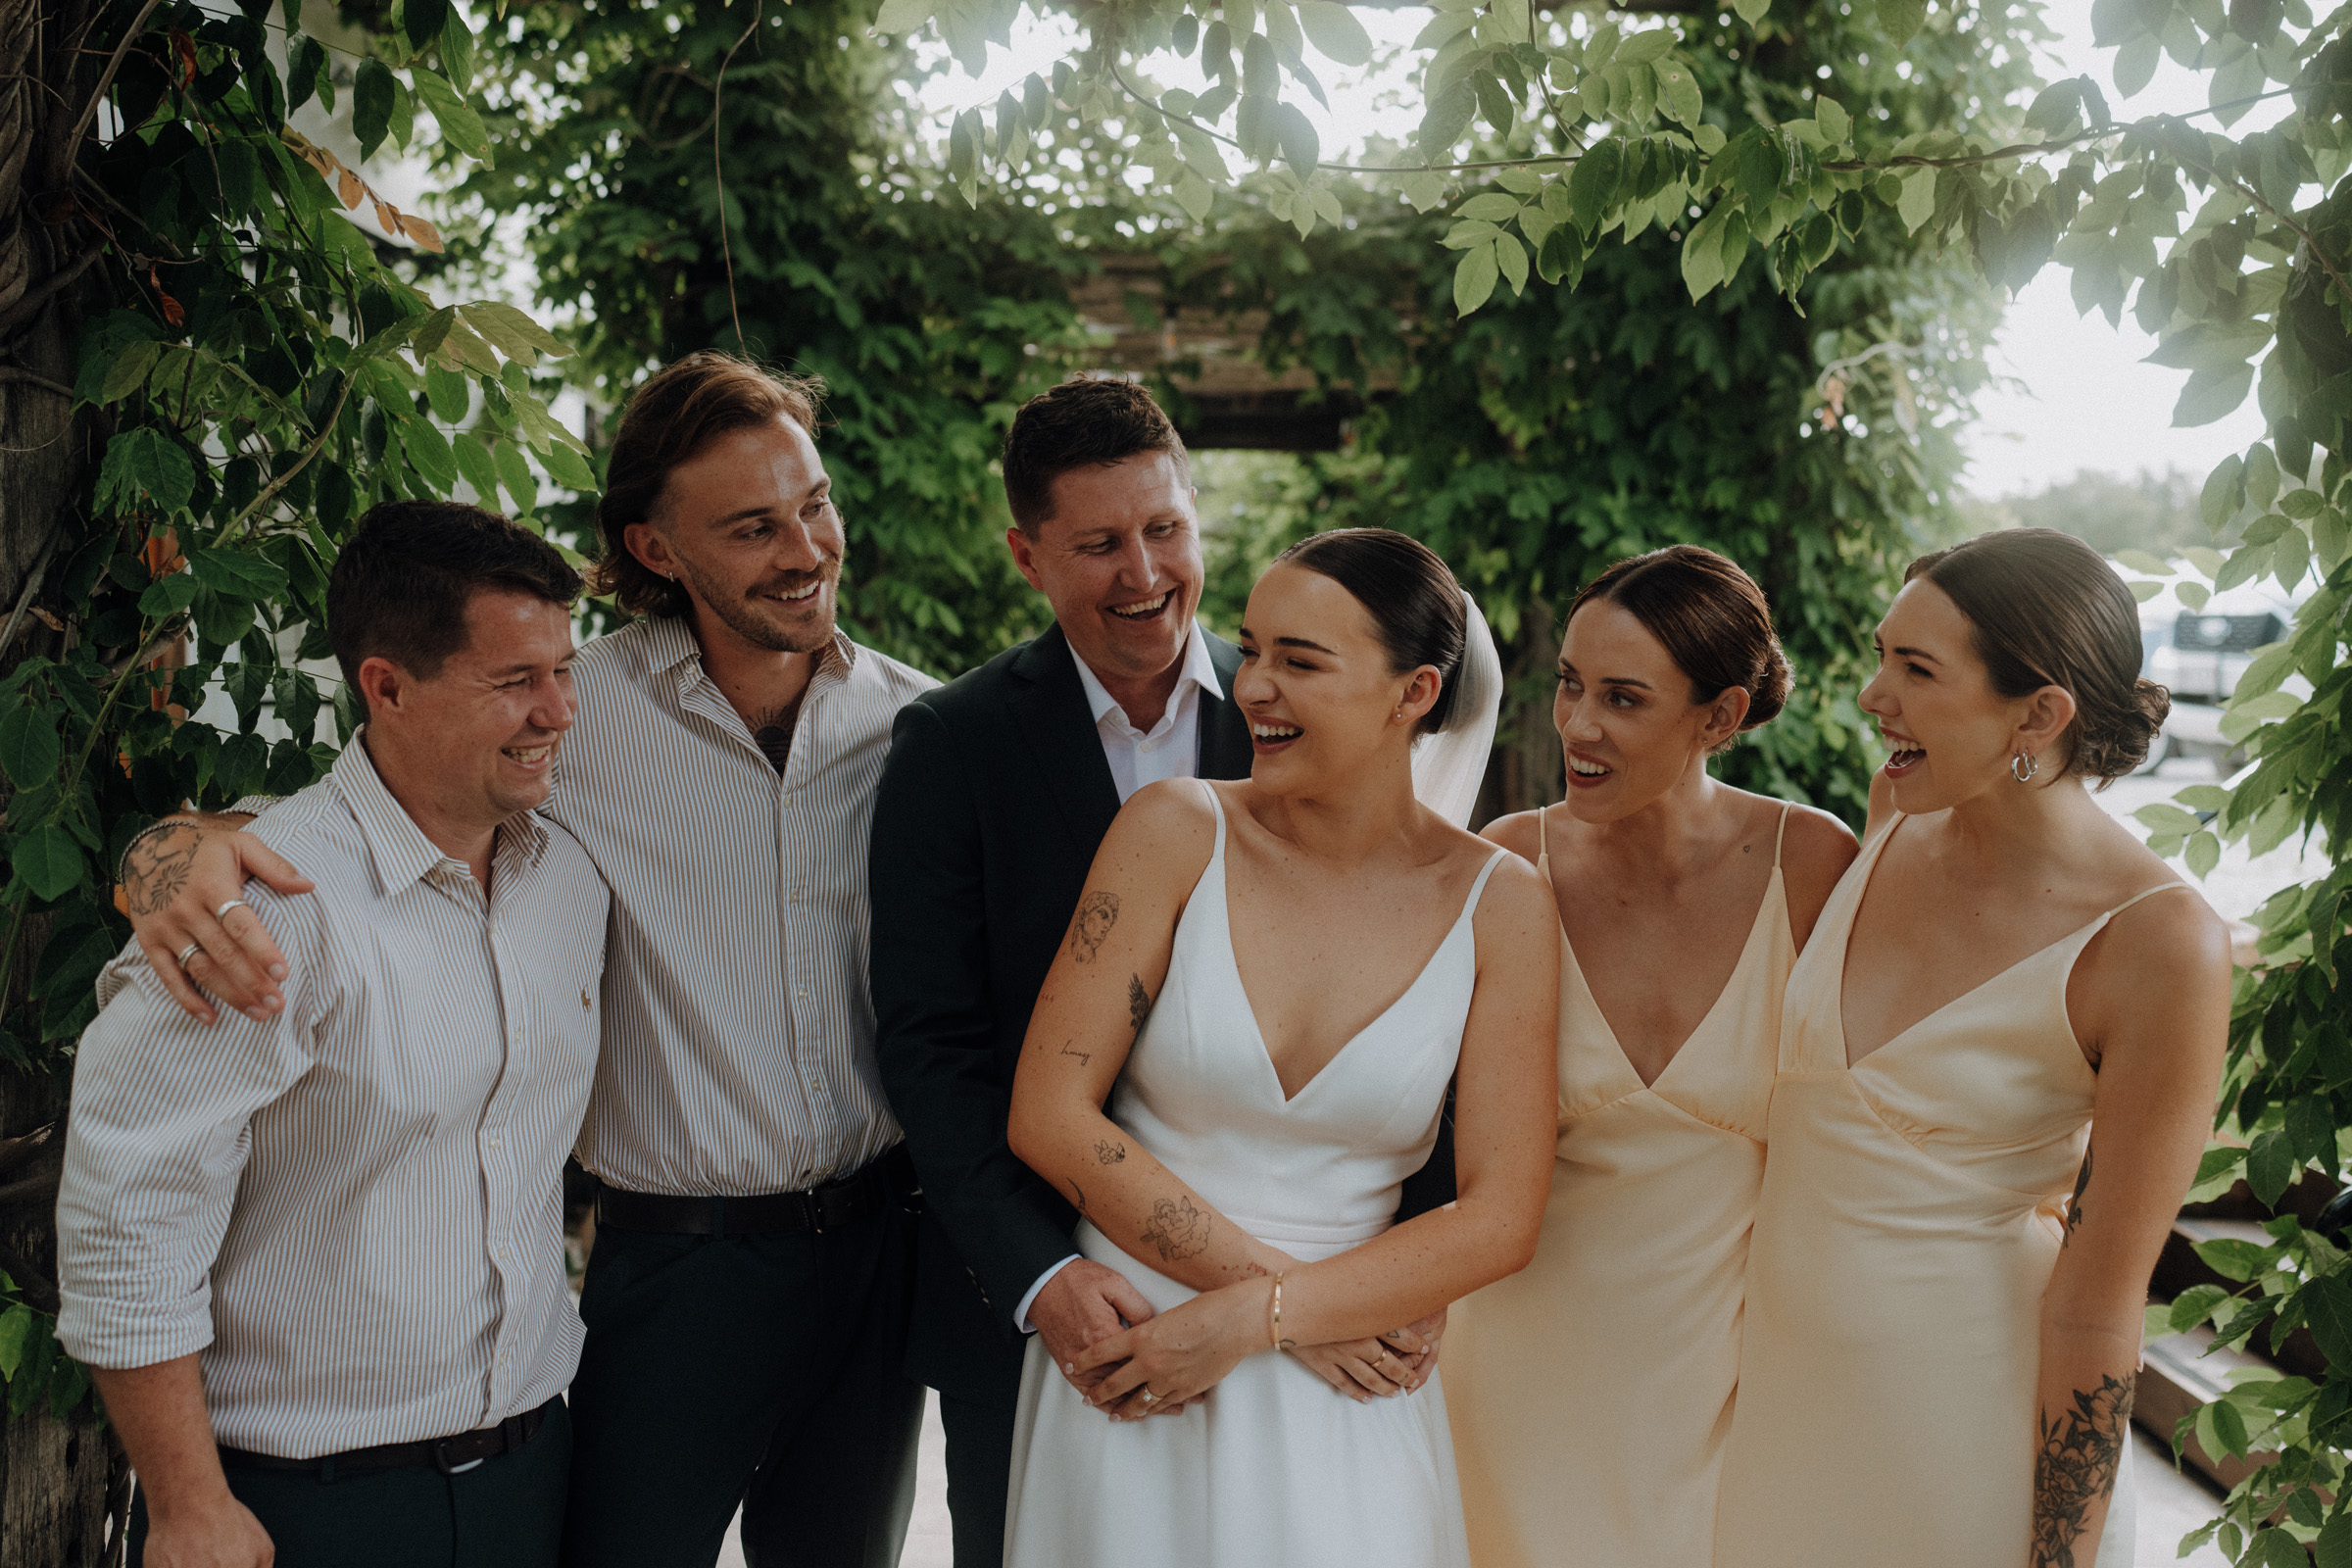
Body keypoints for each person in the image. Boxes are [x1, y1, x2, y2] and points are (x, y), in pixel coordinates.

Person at [113, 354, 938, 1568]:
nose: (805, 548)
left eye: (813, 504)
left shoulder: (916, 726)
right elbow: (355, 808)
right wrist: (171, 849)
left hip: (876, 1251)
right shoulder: (570, 713)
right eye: (753, 526)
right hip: (675, 1267)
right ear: (656, 550)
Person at [868, 381, 1455, 1566]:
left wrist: (1409, 1262)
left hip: (1327, 1304)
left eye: (1166, 530)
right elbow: (930, 1045)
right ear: (1027, 556)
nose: (1144, 572)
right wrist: (1041, 1276)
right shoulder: (954, 745)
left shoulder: (1314, 711)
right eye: (1098, 544)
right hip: (1055, 1312)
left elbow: (1420, 989)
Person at [997, 528, 1560, 1568]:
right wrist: (1269, 1307)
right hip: (1139, 1362)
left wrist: (1261, 1321)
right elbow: (1049, 1113)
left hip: (1354, 1383)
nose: (1252, 685)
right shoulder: (1173, 830)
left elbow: (1501, 1213)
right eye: (1251, 649)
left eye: (1300, 662)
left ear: (1414, 692)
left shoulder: (1503, 906)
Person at [57, 502, 607, 1568]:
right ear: (386, 687)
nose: (558, 713)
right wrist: (187, 1507)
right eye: (513, 683)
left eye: (564, 671)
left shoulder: (568, 878)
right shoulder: (265, 912)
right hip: (306, 1504)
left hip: (534, 1475)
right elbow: (129, 1215)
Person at [1711, 528, 2231, 1568]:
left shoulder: (2159, 942)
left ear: (2038, 715)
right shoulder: (1891, 824)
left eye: (1915, 669)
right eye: (1881, 654)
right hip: (1781, 1417)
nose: (1871, 695)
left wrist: (2060, 1559)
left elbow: (2097, 1305)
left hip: (1965, 1435)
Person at [1443, 546, 1857, 1568]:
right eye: (1570, 685)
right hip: (1520, 1365)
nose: (1578, 726)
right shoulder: (1508, 863)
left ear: (1718, 717)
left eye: (1623, 698)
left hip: (1737, 1368)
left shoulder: (1813, 864)